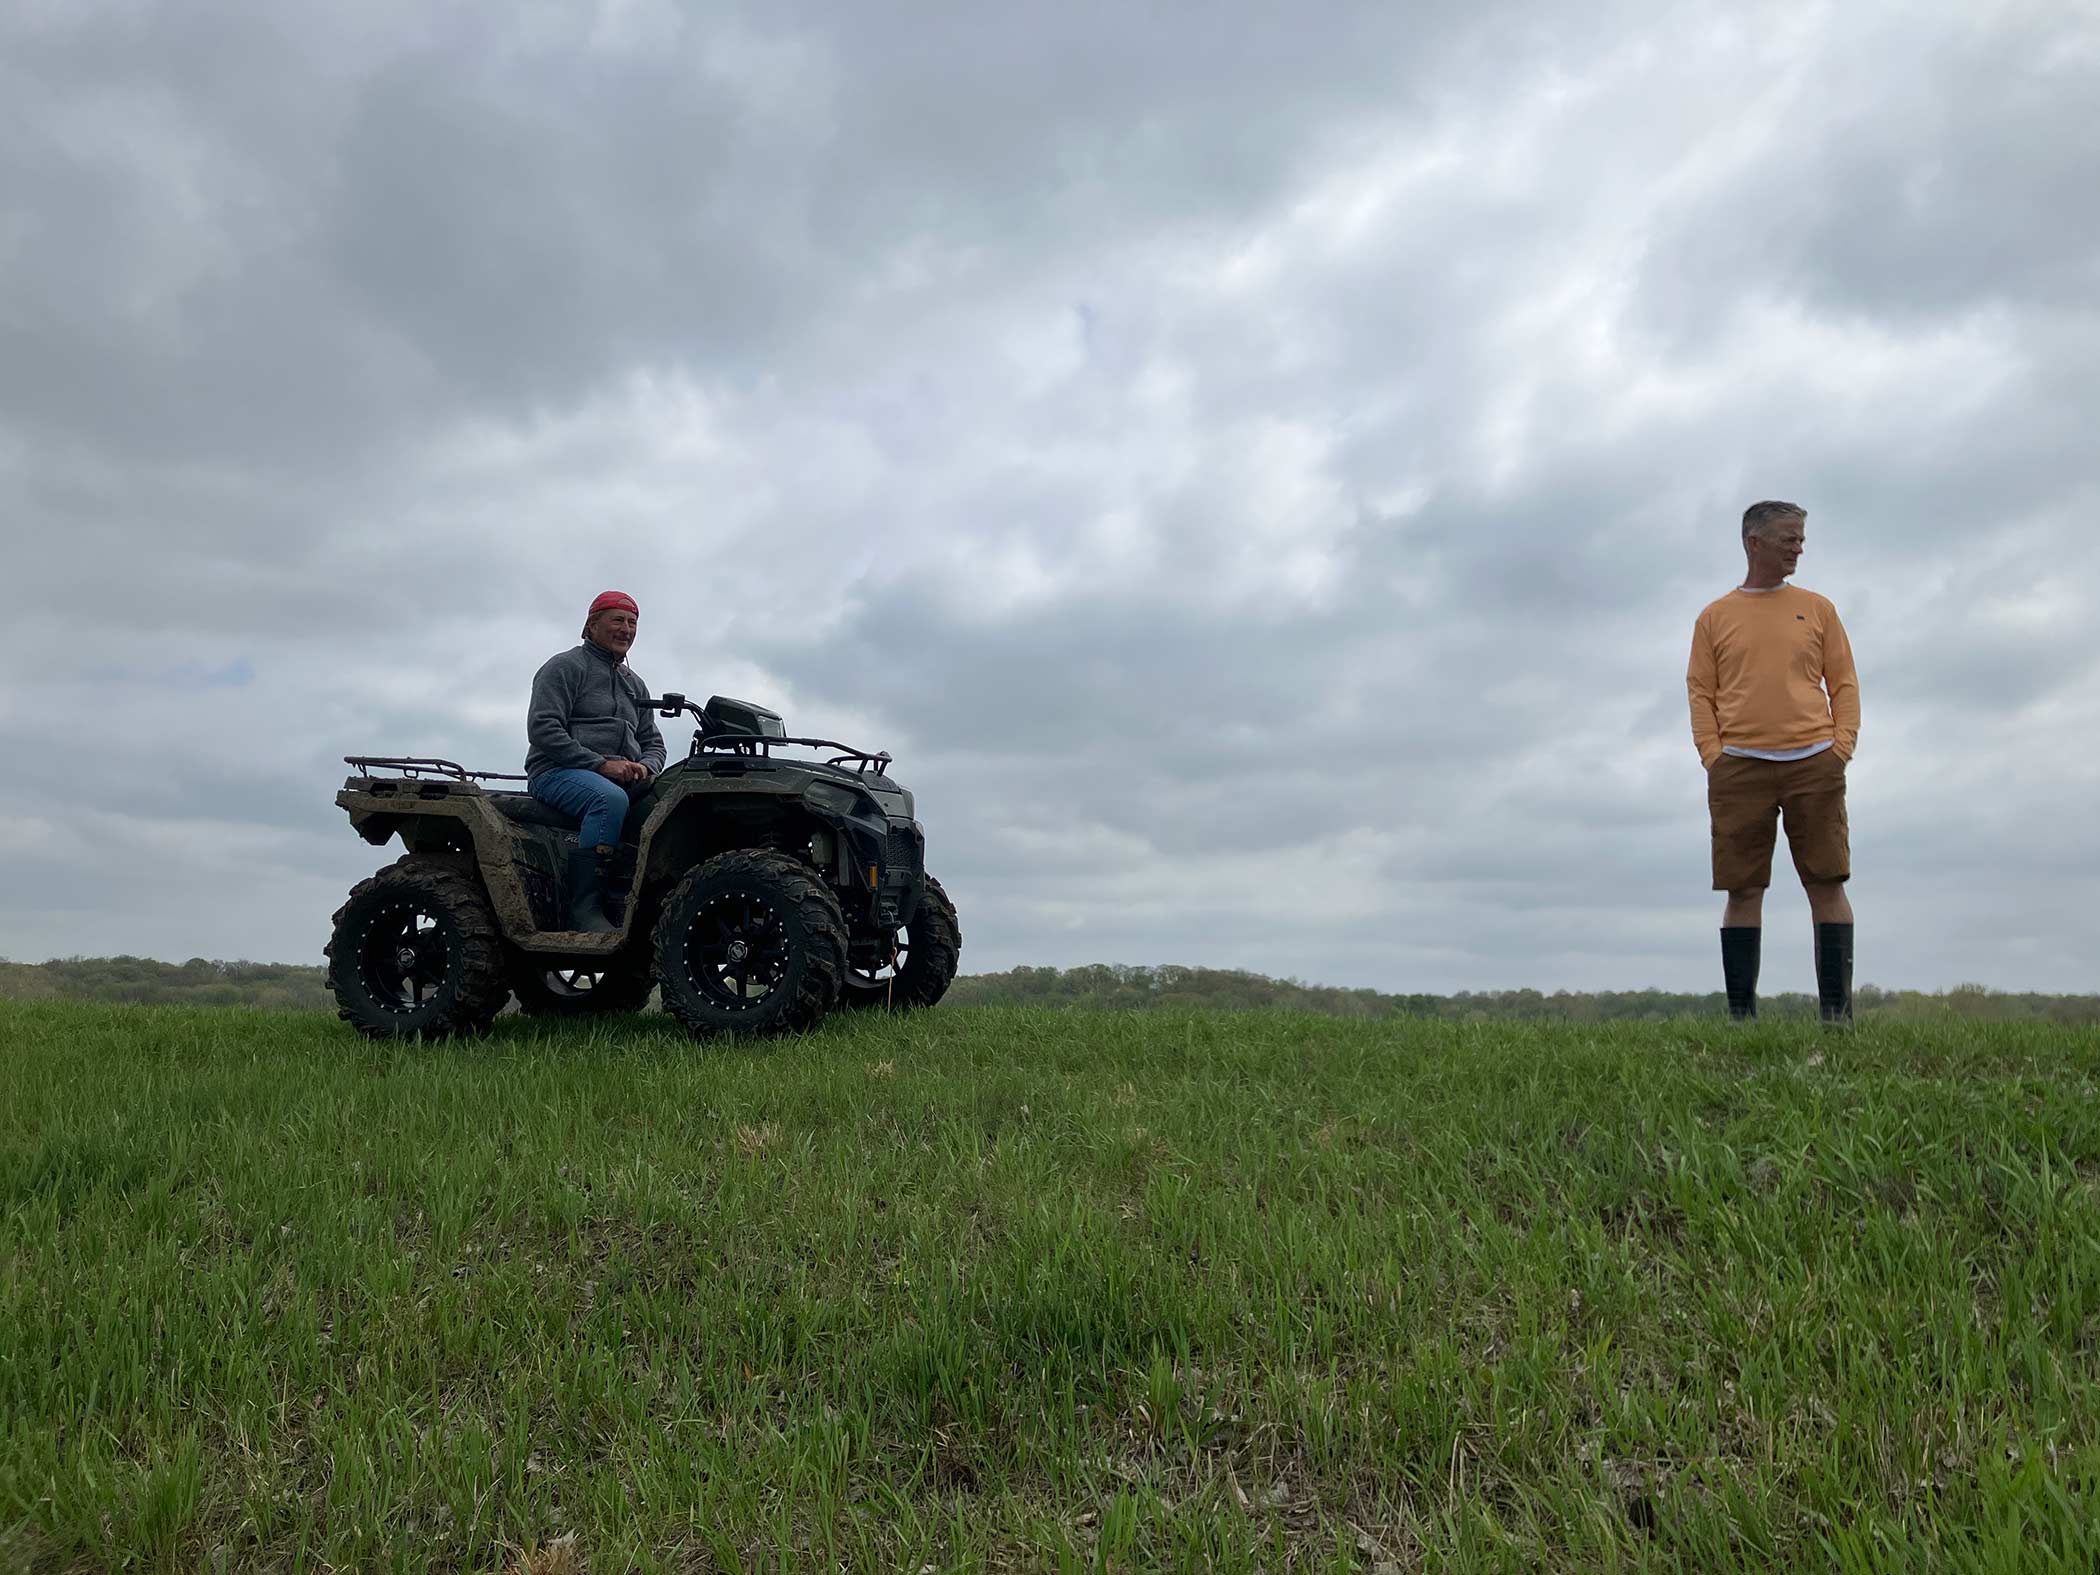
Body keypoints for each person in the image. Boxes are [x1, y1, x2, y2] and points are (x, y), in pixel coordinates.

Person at [1686, 501, 1860, 1025]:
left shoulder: (1819, 608)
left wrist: (1840, 747)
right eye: (1789, 537)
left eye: (1802, 537)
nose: (1799, 547)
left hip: (1814, 762)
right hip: (1738, 767)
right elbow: (1700, 691)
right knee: (1743, 889)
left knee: (1827, 883)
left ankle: (1837, 1017)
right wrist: (1713, 757)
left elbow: (1844, 682)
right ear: (1754, 542)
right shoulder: (1714, 616)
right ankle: (1742, 1020)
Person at [525, 590, 666, 932]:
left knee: (667, 801)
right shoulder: (565, 667)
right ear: (591, 625)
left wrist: (645, 767)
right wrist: (601, 765)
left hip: (618, 777)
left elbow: (654, 743)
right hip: (557, 772)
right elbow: (543, 727)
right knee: (608, 799)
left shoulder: (636, 685)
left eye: (633, 622)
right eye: (617, 620)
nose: (627, 629)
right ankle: (583, 909)